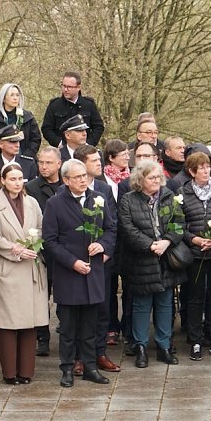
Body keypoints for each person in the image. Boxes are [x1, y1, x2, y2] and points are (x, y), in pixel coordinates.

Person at [44, 159, 116, 386]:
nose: (83, 179)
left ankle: (90, 367)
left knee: (90, 326)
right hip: (69, 274)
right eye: (77, 177)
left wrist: (103, 245)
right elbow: (50, 241)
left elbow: (111, 229)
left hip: (93, 272)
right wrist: (72, 262)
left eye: (85, 175)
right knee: (68, 328)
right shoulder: (55, 204)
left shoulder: (98, 199)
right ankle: (66, 369)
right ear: (66, 180)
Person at [0, 163, 48, 385]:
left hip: (31, 264)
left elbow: (41, 227)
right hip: (8, 267)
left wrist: (33, 243)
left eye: (21, 178)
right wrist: (15, 249)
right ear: (3, 181)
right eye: (12, 179)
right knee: (8, 322)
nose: (17, 183)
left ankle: (26, 371)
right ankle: (10, 372)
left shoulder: (32, 202)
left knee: (30, 321)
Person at [117, 161, 186, 368]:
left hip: (165, 259)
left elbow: (179, 223)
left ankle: (164, 346)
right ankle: (140, 347)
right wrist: (150, 245)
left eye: (158, 177)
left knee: (165, 305)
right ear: (140, 180)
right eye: (151, 177)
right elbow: (127, 229)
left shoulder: (169, 197)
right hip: (140, 261)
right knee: (141, 305)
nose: (157, 181)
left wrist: (166, 241)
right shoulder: (128, 200)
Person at [178, 152, 211, 361]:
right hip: (194, 254)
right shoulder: (182, 193)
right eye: (200, 168)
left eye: (207, 166)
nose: (205, 170)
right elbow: (178, 224)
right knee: (195, 297)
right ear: (191, 171)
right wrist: (195, 240)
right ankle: (196, 340)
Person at [74, 145, 121, 373]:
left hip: (101, 262)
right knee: (80, 312)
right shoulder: (66, 192)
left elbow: (112, 223)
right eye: (94, 160)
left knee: (102, 310)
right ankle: (79, 357)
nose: (99, 164)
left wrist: (105, 249)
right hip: (77, 264)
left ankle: (99, 353)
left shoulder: (103, 188)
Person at [25, 146, 62, 356]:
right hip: (41, 250)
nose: (44, 166)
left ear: (59, 163)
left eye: (48, 162)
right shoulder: (31, 188)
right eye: (41, 162)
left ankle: (65, 332)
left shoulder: (67, 183)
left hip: (64, 250)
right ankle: (42, 337)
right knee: (40, 297)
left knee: (64, 295)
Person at [101, 139, 130, 348]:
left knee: (129, 285)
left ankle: (128, 327)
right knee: (109, 286)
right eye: (123, 154)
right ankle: (111, 326)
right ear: (111, 157)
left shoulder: (132, 178)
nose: (127, 156)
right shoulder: (103, 181)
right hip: (110, 239)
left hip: (128, 240)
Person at [41, 71, 105, 148]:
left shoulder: (88, 104)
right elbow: (46, 129)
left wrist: (88, 144)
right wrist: (59, 143)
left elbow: (98, 127)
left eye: (69, 87)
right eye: (63, 86)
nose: (65, 89)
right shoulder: (54, 105)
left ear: (78, 87)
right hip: (62, 152)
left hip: (84, 151)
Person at [0, 83, 42, 159]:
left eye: (17, 95)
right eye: (12, 95)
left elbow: (36, 139)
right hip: (2, 161)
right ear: (3, 98)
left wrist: (25, 157)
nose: (15, 98)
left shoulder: (28, 117)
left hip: (26, 160)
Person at [0, 124, 37, 200]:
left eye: (18, 141)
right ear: (1, 144)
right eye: (12, 142)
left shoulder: (29, 164)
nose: (17, 145)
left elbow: (33, 193)